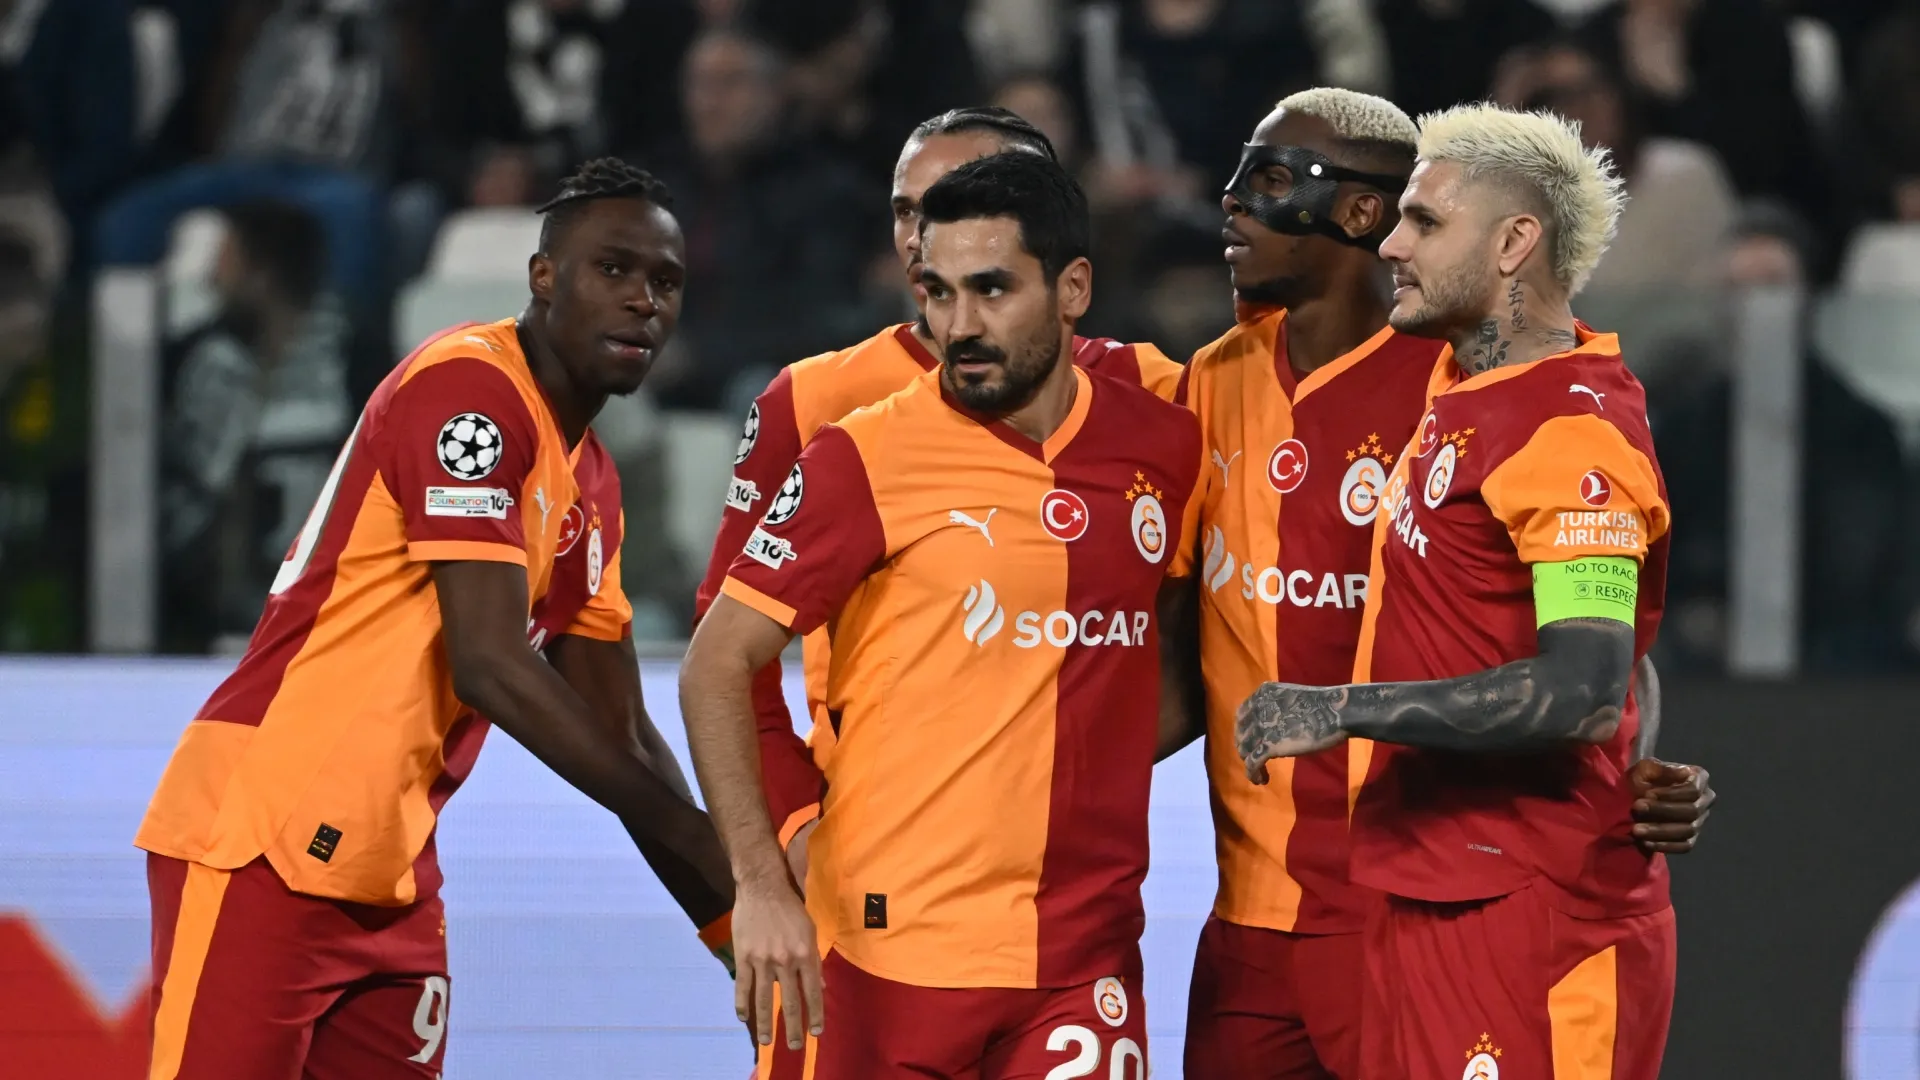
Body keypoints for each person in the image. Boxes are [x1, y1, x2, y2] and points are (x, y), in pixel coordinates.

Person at [134, 158, 734, 1079]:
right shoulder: (470, 393)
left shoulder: (594, 486)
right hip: (261, 837)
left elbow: (620, 729)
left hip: (390, 869)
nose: (642, 300)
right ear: (544, 276)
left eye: (666, 281)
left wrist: (731, 916)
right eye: (612, 269)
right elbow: (487, 662)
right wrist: (695, 838)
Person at [1163, 87, 1714, 1080]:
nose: (1393, 245)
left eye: (1423, 221)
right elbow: (1585, 635)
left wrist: (1339, 708)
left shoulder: (1568, 430)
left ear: (1512, 243)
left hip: (1525, 905)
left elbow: (1588, 682)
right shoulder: (1466, 392)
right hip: (1411, 890)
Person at [680, 151, 1203, 1077]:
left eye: (992, 290)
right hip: (882, 956)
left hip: (1082, 960)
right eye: (938, 292)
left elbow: (1191, 642)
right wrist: (760, 883)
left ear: (1073, 289)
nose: (959, 326)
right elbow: (715, 663)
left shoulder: (1164, 445)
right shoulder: (863, 455)